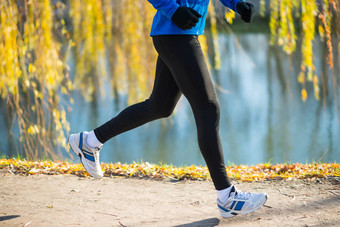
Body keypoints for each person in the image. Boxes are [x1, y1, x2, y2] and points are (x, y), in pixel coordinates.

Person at [68, 0, 267, 218]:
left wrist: (237, 4)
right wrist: (174, 11)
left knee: (159, 106)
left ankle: (89, 141)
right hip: (175, 34)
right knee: (208, 107)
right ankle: (227, 196)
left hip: (178, 34)